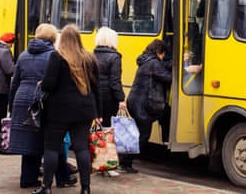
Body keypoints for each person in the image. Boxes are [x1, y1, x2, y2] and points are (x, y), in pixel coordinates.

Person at [35, 24, 102, 194]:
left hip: (58, 111)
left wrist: (43, 84)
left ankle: (47, 187)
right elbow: (96, 89)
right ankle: (86, 188)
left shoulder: (56, 57)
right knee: (81, 148)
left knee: (51, 148)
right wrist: (98, 113)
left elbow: (49, 85)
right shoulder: (89, 59)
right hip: (84, 110)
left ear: (62, 39)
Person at [9, 24, 57, 189]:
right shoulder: (53, 55)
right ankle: (37, 178)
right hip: (42, 99)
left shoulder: (24, 54)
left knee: (26, 139)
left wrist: (11, 104)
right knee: (43, 139)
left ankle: (27, 177)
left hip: (21, 97)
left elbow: (14, 82)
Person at [123, 39, 172, 173]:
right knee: (143, 135)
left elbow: (164, 66)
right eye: (163, 54)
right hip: (141, 105)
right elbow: (168, 77)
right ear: (158, 52)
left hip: (135, 102)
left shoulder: (146, 61)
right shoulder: (154, 63)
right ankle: (125, 162)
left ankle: (125, 159)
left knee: (164, 112)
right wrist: (187, 70)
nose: (163, 58)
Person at [93, 27, 126, 176]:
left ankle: (97, 162)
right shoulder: (115, 57)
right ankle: (108, 165)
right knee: (108, 131)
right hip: (108, 98)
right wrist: (121, 99)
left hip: (93, 96)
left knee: (97, 131)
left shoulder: (92, 55)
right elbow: (114, 82)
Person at [0, 32, 16, 142]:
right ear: (9, 42)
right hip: (2, 86)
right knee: (1, 111)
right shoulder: (5, 51)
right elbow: (9, 69)